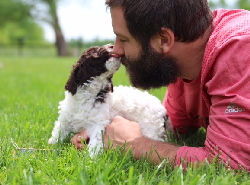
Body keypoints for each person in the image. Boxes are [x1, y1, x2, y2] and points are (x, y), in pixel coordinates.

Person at [71, 0, 250, 172]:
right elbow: (174, 129)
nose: (116, 50)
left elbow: (228, 164)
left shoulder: (239, 49)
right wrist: (102, 129)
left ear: (164, 40)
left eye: (124, 39)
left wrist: (137, 144)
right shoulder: (183, 64)